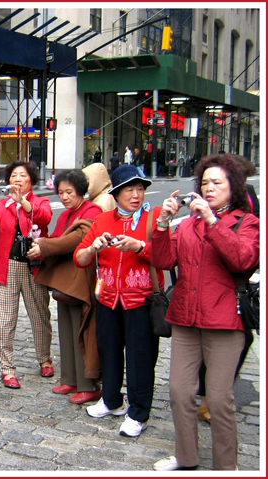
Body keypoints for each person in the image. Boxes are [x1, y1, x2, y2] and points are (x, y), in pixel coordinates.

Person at [150, 154, 259, 472]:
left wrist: (212, 222)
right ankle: (186, 458)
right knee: (180, 392)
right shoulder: (187, 224)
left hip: (224, 320)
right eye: (205, 182)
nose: (209, 188)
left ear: (234, 187)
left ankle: (227, 466)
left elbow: (243, 260)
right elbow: (162, 260)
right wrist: (161, 224)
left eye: (217, 183)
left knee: (219, 398)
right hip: (185, 317)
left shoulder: (246, 222)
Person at [74, 164, 162, 438]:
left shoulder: (153, 218)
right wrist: (93, 247)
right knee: (109, 351)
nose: (135, 195)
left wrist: (140, 247)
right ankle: (112, 401)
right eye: (129, 190)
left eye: (140, 189)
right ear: (116, 193)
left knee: (140, 358)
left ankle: (138, 413)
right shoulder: (103, 220)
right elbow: (80, 258)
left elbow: (166, 257)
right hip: (109, 299)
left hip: (141, 300)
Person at [29, 169, 109, 405]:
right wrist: (41, 243)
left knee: (82, 331)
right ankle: (70, 379)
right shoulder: (65, 215)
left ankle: (88, 384)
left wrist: (44, 246)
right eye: (61, 192)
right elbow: (56, 238)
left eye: (69, 192)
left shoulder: (92, 211)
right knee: (66, 330)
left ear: (81, 191)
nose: (64, 197)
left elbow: (75, 239)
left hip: (83, 280)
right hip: (64, 282)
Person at [0, 160, 54, 389]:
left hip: (33, 266)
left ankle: (44, 358)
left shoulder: (40, 201)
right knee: (4, 320)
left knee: (40, 315)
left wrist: (23, 202)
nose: (17, 179)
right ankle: (7, 368)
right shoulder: (2, 205)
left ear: (31, 179)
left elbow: (44, 218)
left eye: (22, 175)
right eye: (13, 176)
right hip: (7, 267)